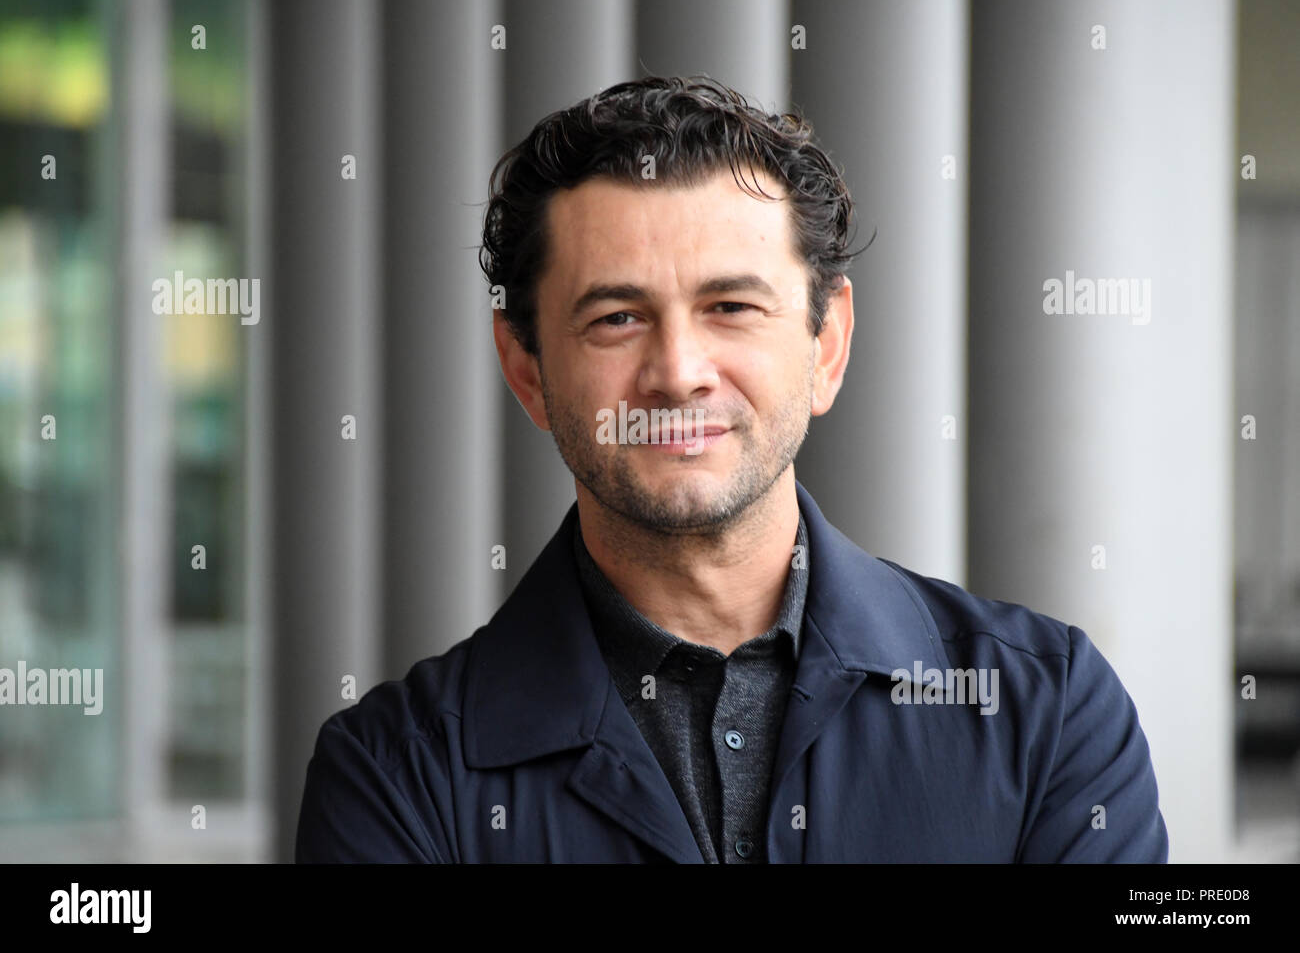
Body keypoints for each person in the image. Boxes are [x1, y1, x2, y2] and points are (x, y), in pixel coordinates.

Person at [295, 75, 1168, 863]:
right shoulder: (395, 777)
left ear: (826, 346)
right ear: (527, 370)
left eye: (731, 306)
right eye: (616, 319)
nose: (679, 371)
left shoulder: (1046, 712)